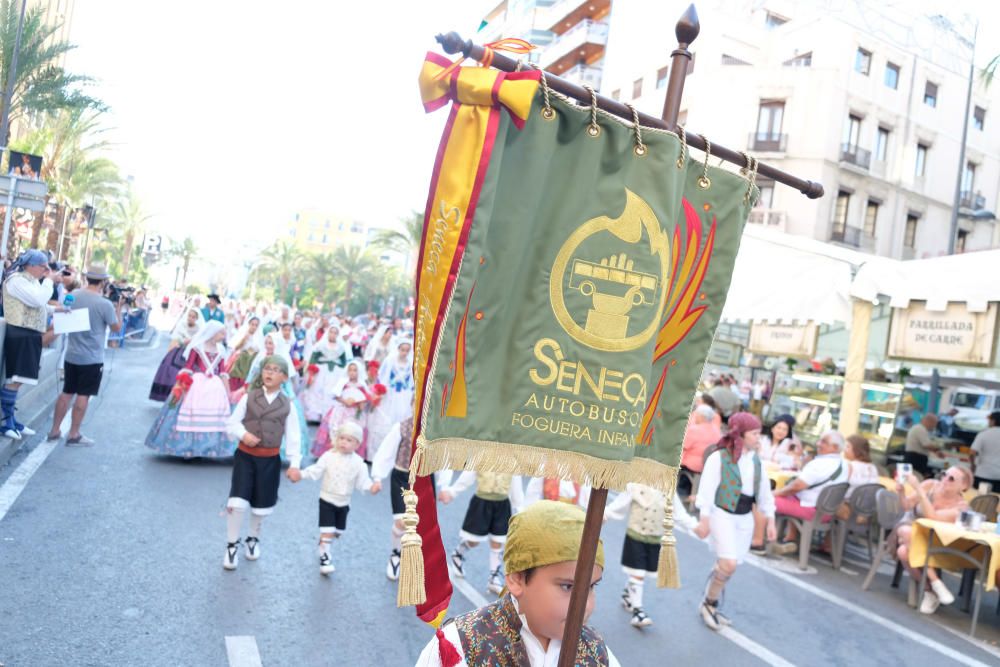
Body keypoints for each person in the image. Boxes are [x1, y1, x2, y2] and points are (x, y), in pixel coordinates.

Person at [415, 500, 621, 666]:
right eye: (567, 586)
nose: (585, 605)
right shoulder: (461, 645)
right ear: (516, 578)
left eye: (592, 587)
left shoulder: (599, 654)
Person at [694, 412, 776, 630]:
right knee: (728, 564)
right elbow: (706, 491)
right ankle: (708, 604)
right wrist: (704, 520)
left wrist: (771, 521)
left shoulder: (756, 461)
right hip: (722, 514)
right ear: (741, 434)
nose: (759, 437)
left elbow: (765, 493)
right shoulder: (719, 457)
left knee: (729, 565)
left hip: (745, 518)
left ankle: (709, 600)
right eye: (755, 433)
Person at [222, 354, 302, 570]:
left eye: (276, 370)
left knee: (261, 506)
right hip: (245, 457)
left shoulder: (288, 405)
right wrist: (242, 434)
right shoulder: (249, 396)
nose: (269, 373)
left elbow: (294, 436)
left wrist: (294, 463)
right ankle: (231, 545)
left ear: (284, 377)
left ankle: (253, 538)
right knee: (237, 503)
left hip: (269, 461)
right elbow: (232, 423)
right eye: (267, 369)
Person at [290, 421, 381, 574]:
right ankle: (325, 556)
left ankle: (324, 542)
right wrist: (301, 474)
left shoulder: (359, 464)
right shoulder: (328, 456)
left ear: (357, 444)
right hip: (327, 499)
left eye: (349, 440)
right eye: (341, 438)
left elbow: (363, 481)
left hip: (344, 502)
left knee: (337, 531)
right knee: (328, 530)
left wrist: (371, 487)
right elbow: (316, 470)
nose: (344, 442)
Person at [46, 265, 123, 445]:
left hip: (71, 353)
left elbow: (62, 313)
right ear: (103, 281)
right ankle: (74, 433)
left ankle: (54, 430)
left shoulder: (72, 296)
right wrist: (118, 308)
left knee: (66, 392)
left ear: (88, 279)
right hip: (92, 357)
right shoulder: (104, 304)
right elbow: (116, 328)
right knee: (83, 395)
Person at [144, 321, 234, 458]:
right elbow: (189, 367)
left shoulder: (221, 350)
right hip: (196, 384)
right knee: (190, 412)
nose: (224, 335)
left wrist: (227, 391)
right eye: (221, 332)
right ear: (212, 333)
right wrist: (180, 386)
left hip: (214, 387)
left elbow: (222, 372)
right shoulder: (197, 347)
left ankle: (207, 447)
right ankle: (187, 447)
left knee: (212, 416)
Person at [895, 466, 972, 615]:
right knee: (906, 531)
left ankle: (930, 591)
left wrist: (919, 489)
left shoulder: (961, 507)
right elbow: (906, 506)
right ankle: (936, 583)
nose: (944, 480)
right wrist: (901, 492)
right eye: (944, 474)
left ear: (963, 486)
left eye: (951, 478)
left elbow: (933, 518)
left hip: (935, 542)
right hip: (909, 529)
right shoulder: (930, 484)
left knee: (903, 552)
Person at [439, 472, 525, 596]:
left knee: (498, 541)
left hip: (502, 505)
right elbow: (468, 475)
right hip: (481, 503)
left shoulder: (513, 459)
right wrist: (452, 492)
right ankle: (458, 553)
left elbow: (516, 485)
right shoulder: (482, 454)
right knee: (474, 540)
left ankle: (493, 579)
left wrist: (519, 508)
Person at [1, 249, 56, 439]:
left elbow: (40, 304)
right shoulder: (16, 280)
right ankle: (6, 422)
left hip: (29, 334)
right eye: (44, 266)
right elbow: (38, 299)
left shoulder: (30, 281)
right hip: (20, 333)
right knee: (16, 379)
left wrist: (58, 310)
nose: (46, 270)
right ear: (31, 265)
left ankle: (10, 420)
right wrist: (49, 281)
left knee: (21, 379)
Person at [772, 431, 849, 551]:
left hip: (813, 511)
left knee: (766, 499)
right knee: (794, 496)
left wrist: (775, 493)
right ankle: (790, 538)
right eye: (819, 440)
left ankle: (760, 541)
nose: (818, 444)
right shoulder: (844, 464)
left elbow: (796, 486)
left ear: (835, 447)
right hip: (829, 511)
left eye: (824, 442)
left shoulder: (819, 464)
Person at [370, 415, 418, 581]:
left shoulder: (437, 429)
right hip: (402, 477)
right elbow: (386, 452)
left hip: (424, 479)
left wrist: (446, 486)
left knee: (418, 524)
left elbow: (443, 455)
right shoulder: (402, 427)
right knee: (401, 521)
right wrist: (377, 477)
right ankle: (396, 554)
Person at [311, 358, 368, 459]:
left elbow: (365, 399)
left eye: (355, 370)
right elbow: (336, 395)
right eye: (350, 370)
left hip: (354, 413)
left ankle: (351, 453)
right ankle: (333, 451)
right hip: (341, 410)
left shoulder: (362, 385)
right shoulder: (343, 383)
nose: (352, 372)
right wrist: (344, 401)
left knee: (353, 431)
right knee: (336, 429)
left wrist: (359, 403)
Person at [150, 307, 204, 401]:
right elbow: (176, 337)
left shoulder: (199, 330)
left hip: (190, 354)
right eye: (189, 316)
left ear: (196, 318)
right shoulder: (182, 326)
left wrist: (191, 342)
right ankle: (167, 397)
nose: (190, 318)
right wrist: (183, 341)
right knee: (169, 372)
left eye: (193, 317)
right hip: (177, 351)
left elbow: (199, 342)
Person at [299, 325, 349, 423]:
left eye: (335, 333)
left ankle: (329, 416)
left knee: (331, 393)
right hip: (320, 372)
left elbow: (344, 363)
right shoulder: (320, 345)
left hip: (334, 373)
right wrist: (312, 371)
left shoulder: (341, 348)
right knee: (317, 391)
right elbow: (313, 358)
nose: (333, 335)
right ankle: (314, 415)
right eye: (331, 332)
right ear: (328, 333)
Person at [379, 337, 414, 423]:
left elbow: (411, 381)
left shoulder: (410, 364)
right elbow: (382, 375)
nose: (404, 353)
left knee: (402, 414)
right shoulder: (390, 361)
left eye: (407, 350)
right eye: (403, 350)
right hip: (390, 392)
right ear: (398, 349)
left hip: (404, 394)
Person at [681, 405, 722, 474]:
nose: (695, 417)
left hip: (691, 465)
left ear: (702, 417)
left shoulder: (694, 430)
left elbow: (682, 447)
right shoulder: (717, 430)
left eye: (697, 415)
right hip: (708, 465)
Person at [970, 412, 1000, 491]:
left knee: (978, 499)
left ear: (993, 421)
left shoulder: (983, 434)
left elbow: (972, 452)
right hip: (998, 477)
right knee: (995, 500)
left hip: (982, 473)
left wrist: (973, 466)